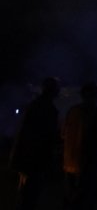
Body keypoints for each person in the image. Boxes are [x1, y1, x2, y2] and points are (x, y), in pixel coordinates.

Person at [11, 77, 62, 210]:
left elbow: (22, 132)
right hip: (36, 160)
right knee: (30, 196)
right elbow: (48, 139)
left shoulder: (34, 105)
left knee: (24, 195)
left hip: (26, 158)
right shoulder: (49, 110)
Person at [64, 82, 97, 210]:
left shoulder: (73, 111)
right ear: (96, 96)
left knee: (71, 198)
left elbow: (64, 134)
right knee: (85, 199)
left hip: (70, 163)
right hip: (88, 165)